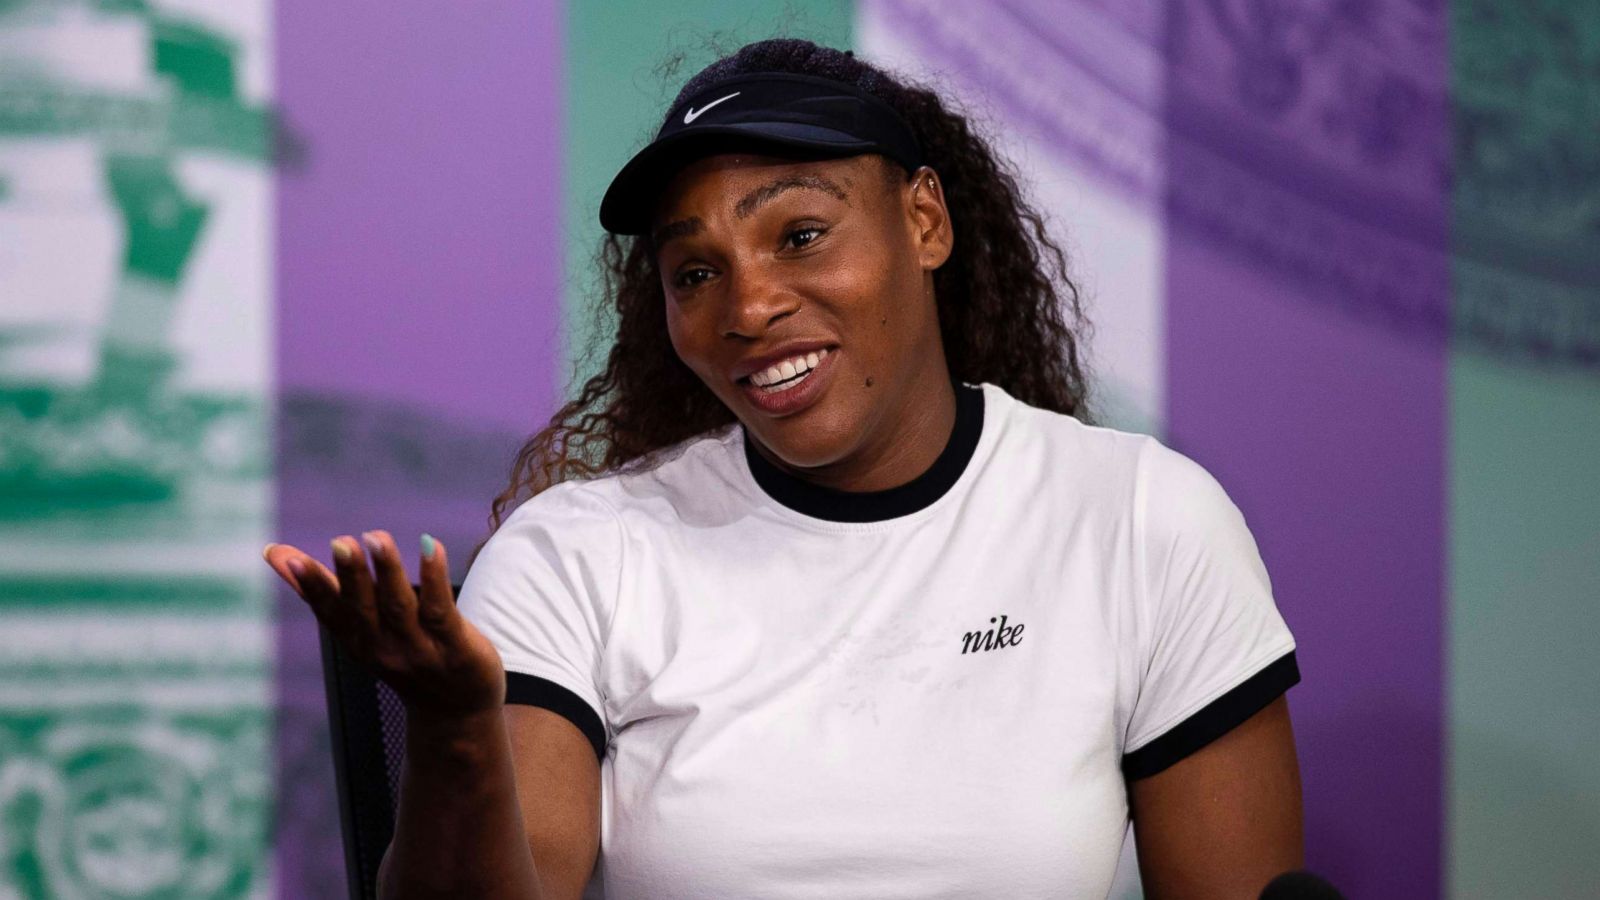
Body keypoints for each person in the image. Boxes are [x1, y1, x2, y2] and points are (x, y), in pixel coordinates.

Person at [263, 38, 1304, 900]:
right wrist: (451, 736)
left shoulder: (1137, 518)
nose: (748, 308)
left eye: (800, 235)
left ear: (925, 221)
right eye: (696, 272)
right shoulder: (576, 554)